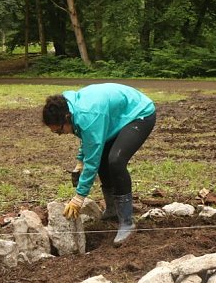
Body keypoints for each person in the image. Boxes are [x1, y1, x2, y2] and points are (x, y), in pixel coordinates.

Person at [42, 83, 156, 246]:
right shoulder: (70, 108)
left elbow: (92, 160)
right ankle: (112, 210)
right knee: (103, 156)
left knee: (116, 161)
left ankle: (127, 222)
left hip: (139, 113)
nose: (60, 135)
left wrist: (79, 197)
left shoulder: (88, 115)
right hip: (114, 117)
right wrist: (80, 160)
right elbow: (86, 136)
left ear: (66, 118)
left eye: (59, 131)